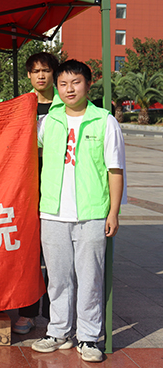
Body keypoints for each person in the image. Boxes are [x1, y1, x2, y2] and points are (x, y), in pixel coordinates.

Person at [31, 60, 125, 363]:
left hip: (92, 213)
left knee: (90, 279)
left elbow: (115, 170)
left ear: (89, 84)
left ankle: (88, 337)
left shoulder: (104, 121)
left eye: (76, 82)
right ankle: (58, 331)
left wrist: (113, 212)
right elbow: (24, 144)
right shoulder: (50, 120)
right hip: (53, 212)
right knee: (58, 279)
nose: (69, 89)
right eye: (63, 84)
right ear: (56, 87)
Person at [13, 52, 60, 335]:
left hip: (56, 182)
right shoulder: (21, 106)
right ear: (29, 75)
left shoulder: (65, 105)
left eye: (46, 70)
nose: (41, 75)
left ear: (54, 73)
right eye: (36, 71)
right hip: (26, 184)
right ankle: (28, 312)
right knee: (29, 251)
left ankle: (56, 315)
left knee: (56, 253)